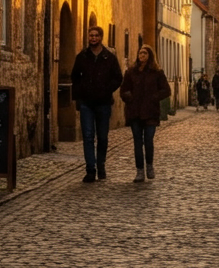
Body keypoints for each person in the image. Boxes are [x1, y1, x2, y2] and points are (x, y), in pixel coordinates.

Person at [69, 25, 123, 183]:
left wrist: (107, 89)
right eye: (91, 35)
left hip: (104, 103)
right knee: (87, 136)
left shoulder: (109, 58)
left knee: (103, 137)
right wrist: (81, 93)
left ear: (101, 37)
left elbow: (117, 78)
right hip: (86, 103)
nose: (93, 38)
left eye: (96, 36)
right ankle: (90, 169)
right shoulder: (82, 56)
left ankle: (101, 164)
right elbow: (74, 77)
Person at [120, 45, 170, 182]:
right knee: (137, 142)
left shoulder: (157, 73)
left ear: (150, 56)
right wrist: (129, 97)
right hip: (135, 111)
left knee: (148, 140)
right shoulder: (131, 72)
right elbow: (123, 89)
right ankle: (139, 171)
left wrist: (154, 97)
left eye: (145, 53)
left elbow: (166, 90)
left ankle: (149, 165)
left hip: (150, 112)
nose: (142, 55)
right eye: (140, 52)